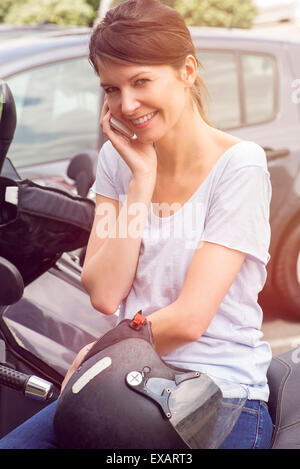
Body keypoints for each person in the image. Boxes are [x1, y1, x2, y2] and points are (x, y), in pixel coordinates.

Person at [0, 0, 274, 449]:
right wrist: (141, 182)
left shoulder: (239, 166)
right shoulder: (117, 161)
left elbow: (189, 320)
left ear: (187, 70)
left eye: (141, 81)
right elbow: (106, 293)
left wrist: (100, 350)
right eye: (111, 89)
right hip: (129, 381)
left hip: (218, 392)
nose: (126, 105)